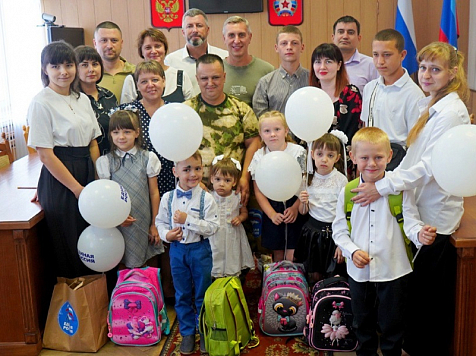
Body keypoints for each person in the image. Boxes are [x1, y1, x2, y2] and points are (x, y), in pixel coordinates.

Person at [352, 42, 470, 356]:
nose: (427, 75)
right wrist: (385, 180)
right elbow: (411, 157)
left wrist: (384, 187)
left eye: (436, 69)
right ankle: (411, 343)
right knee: (416, 293)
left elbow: (430, 165)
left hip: (436, 213)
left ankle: (425, 348)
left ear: (452, 72)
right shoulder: (431, 103)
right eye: (424, 67)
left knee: (430, 297)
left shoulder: (452, 112)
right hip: (418, 206)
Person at [332, 127, 437, 356]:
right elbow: (339, 230)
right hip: (360, 273)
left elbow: (410, 222)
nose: (372, 163)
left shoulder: (399, 189)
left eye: (378, 157)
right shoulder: (348, 191)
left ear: (389, 156)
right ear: (353, 157)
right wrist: (351, 251)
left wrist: (420, 234)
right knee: (363, 324)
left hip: (394, 270)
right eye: (365, 158)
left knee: (393, 325)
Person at [27, 41, 101, 278]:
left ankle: (98, 302)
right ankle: (76, 307)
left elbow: (93, 142)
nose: (63, 72)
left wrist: (97, 180)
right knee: (70, 244)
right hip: (62, 179)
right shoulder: (41, 102)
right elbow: (46, 155)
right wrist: (77, 189)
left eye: (68, 65)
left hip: (87, 170)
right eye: (55, 66)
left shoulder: (83, 99)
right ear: (44, 69)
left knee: (94, 240)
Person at [156, 151, 219, 355]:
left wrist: (188, 221)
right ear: (175, 172)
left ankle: (204, 331)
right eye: (187, 169)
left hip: (200, 250)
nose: (193, 174)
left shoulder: (207, 199)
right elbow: (160, 223)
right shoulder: (167, 198)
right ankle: (187, 333)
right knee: (182, 293)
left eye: (198, 168)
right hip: (177, 251)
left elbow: (213, 227)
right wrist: (167, 235)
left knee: (202, 293)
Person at [184, 54, 260, 205]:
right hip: (197, 189)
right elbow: (178, 150)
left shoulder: (241, 109)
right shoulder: (186, 111)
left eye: (215, 77)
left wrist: (245, 176)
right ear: (197, 79)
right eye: (204, 78)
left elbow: (254, 143)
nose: (210, 83)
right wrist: (192, 180)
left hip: (233, 192)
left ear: (224, 77)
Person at [96, 110, 163, 268]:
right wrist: (116, 217)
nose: (121, 137)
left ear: (137, 133)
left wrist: (155, 224)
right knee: (121, 260)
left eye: (127, 131)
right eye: (116, 132)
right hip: (119, 223)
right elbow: (104, 198)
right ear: (110, 135)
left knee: (148, 261)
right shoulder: (106, 162)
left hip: (143, 220)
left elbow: (154, 193)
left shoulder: (148, 158)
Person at [361, 29, 424, 171]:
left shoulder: (414, 94)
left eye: (387, 55)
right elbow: (366, 125)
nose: (380, 61)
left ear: (402, 55)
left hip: (397, 160)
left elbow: (416, 142)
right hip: (370, 158)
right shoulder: (370, 88)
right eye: (375, 55)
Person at [248, 111, 306, 262]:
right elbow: (258, 190)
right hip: (272, 207)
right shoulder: (259, 156)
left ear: (286, 131)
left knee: (293, 253)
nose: (272, 134)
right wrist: (271, 214)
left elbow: (305, 184)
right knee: (278, 254)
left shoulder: (297, 152)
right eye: (267, 131)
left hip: (295, 204)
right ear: (260, 134)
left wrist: (295, 208)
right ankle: (278, 282)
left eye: (277, 129)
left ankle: (295, 282)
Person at [294, 132, 348, 284]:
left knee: (332, 274)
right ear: (312, 155)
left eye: (330, 155)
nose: (324, 159)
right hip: (313, 232)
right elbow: (303, 212)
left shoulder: (341, 180)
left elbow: (343, 213)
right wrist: (303, 202)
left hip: (333, 234)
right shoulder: (307, 179)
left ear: (337, 158)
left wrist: (340, 242)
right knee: (313, 274)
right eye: (320, 154)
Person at [310, 43, 363, 178]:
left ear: (339, 65)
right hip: (314, 165)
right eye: (317, 62)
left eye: (328, 61)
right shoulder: (308, 96)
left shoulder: (351, 94)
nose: (322, 67)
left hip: (343, 163)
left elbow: (353, 134)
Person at [208, 155, 254, 280]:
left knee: (232, 257)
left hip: (232, 234)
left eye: (227, 180)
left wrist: (240, 218)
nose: (221, 184)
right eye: (218, 179)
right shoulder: (208, 196)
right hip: (214, 235)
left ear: (234, 182)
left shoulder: (237, 196)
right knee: (214, 256)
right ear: (212, 179)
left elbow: (244, 212)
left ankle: (231, 281)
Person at [165, 8, 228, 96]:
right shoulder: (171, 61)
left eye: (199, 25)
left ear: (207, 30)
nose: (195, 30)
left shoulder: (224, 57)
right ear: (183, 32)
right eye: (190, 26)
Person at [121, 28, 194, 104]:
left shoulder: (181, 77)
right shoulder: (132, 80)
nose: (154, 51)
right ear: (141, 51)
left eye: (157, 46)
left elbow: (192, 109)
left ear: (165, 49)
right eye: (148, 48)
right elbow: (125, 113)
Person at [253, 25, 309, 119]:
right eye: (284, 43)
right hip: (275, 133)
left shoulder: (314, 79)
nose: (289, 47)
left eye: (294, 43)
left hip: (308, 133)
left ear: (302, 47)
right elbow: (261, 119)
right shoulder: (265, 83)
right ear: (276, 48)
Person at [222, 16, 274, 107]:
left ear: (249, 37)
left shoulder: (267, 71)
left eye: (241, 35)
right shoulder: (216, 70)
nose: (237, 41)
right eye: (231, 35)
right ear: (224, 39)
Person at [75, 45, 118, 155]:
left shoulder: (109, 95)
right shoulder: (73, 100)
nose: (91, 69)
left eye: (95, 64)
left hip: (114, 158)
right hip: (86, 160)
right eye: (85, 65)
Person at [332, 15, 378, 93]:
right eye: (341, 32)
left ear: (359, 38)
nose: (345, 36)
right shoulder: (324, 64)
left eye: (350, 32)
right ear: (333, 37)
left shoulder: (371, 65)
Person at [93, 21, 136, 101]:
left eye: (114, 40)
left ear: (121, 43)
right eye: (104, 40)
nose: (109, 46)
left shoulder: (135, 72)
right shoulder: (90, 75)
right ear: (95, 43)